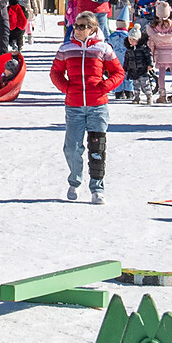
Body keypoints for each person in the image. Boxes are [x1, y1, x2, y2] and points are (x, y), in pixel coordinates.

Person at [50, 11, 123, 204]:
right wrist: (66, 88)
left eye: (82, 26)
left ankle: (97, 188)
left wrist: (105, 86)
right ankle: (75, 181)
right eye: (76, 26)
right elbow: (55, 72)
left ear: (93, 28)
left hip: (97, 106)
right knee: (72, 147)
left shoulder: (103, 48)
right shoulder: (66, 48)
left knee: (97, 148)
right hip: (74, 106)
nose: (78, 30)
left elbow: (118, 72)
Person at [146, 2, 172, 104]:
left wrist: (151, 57)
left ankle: (162, 95)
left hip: (160, 54)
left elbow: (151, 44)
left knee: (162, 75)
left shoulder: (154, 27)